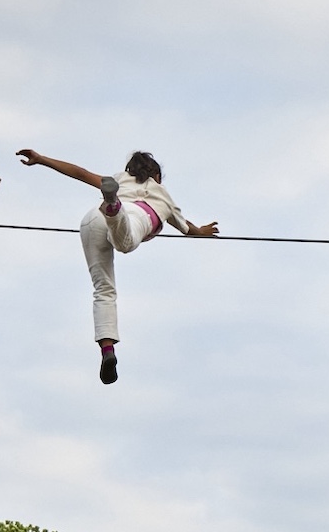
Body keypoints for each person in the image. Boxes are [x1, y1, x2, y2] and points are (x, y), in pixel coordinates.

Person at [15, 147, 220, 384]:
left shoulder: (119, 180)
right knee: (125, 244)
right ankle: (113, 207)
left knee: (103, 289)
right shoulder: (162, 194)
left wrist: (41, 159)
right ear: (157, 176)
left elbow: (80, 173)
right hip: (132, 217)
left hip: (91, 219)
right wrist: (202, 231)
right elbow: (188, 229)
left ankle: (107, 351)